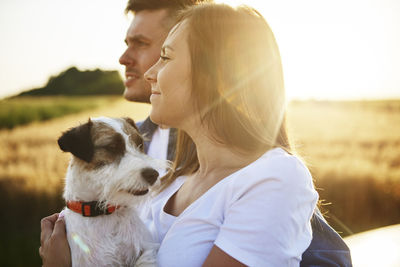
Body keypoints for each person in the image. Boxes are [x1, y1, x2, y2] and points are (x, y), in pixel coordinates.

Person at [40, 1, 352, 266]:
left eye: (165, 56)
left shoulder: (272, 176)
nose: (150, 73)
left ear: (215, 73)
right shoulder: (169, 181)